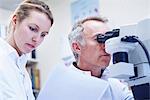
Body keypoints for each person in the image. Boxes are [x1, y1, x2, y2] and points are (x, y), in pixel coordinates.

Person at [68, 16, 134, 100]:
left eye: (108, 39)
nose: (106, 45)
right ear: (77, 47)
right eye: (99, 38)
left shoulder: (114, 83)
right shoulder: (64, 84)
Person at [0, 0, 53, 100]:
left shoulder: (22, 69)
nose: (36, 39)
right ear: (15, 21)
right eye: (33, 29)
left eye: (43, 35)